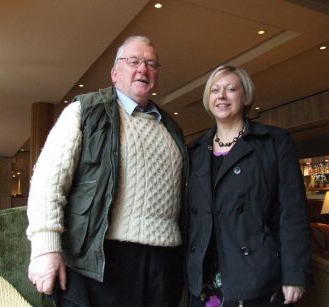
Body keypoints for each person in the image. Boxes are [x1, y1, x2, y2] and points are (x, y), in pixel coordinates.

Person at [26, 35, 188, 307]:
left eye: (151, 64)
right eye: (133, 61)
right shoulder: (84, 112)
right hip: (98, 260)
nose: (143, 69)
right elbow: (48, 182)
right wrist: (46, 248)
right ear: (115, 73)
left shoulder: (172, 130)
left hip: (163, 263)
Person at [186, 65, 311, 307]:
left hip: (258, 274)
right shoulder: (195, 151)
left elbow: (293, 213)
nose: (221, 96)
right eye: (215, 90)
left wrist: (295, 274)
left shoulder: (274, 142)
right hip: (205, 278)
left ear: (245, 97)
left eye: (231, 89)